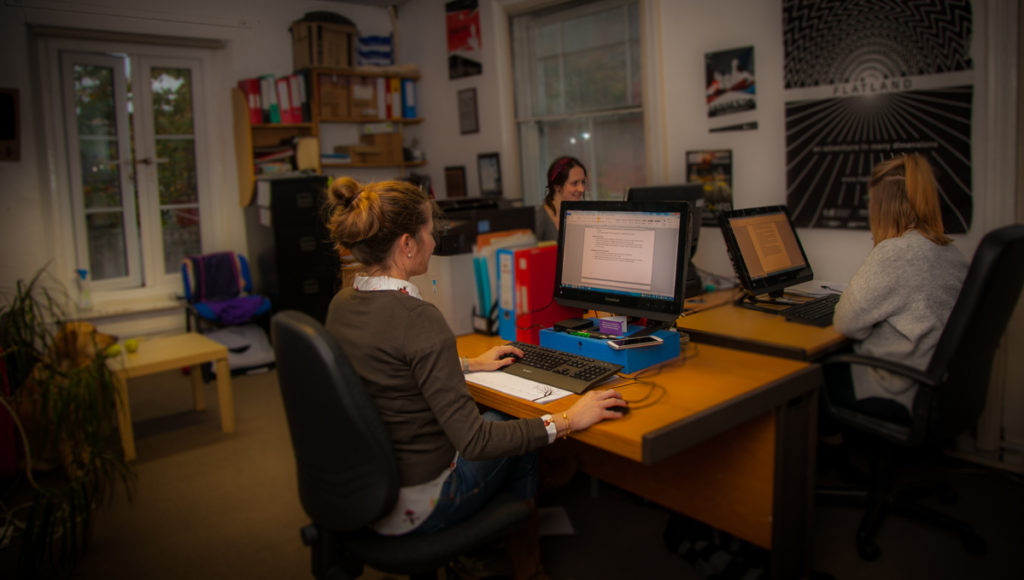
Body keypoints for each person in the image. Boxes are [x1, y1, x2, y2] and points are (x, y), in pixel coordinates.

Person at [322, 177, 627, 577]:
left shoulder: (343, 303)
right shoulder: (418, 318)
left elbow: (389, 364)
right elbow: (476, 441)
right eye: (429, 232)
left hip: (366, 493)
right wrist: (570, 419)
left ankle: (499, 543)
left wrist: (468, 364)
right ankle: (526, 563)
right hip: (420, 505)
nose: (435, 242)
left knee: (506, 423)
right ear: (407, 244)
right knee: (511, 426)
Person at [830, 153, 968, 422]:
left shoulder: (895, 252)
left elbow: (846, 324)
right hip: (933, 383)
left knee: (809, 369)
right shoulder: (949, 251)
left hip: (896, 386)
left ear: (882, 206)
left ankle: (832, 448)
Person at [535, 156, 587, 242]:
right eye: (575, 183)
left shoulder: (584, 215)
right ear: (557, 186)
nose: (582, 189)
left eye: (583, 182)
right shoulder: (539, 218)